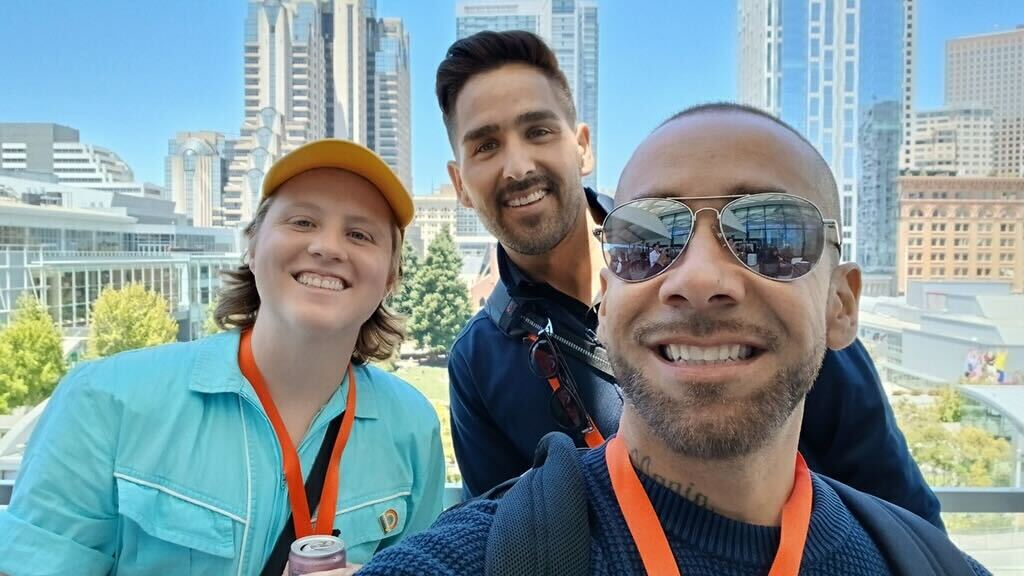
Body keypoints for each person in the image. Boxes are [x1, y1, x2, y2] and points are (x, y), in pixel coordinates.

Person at [355, 104, 989, 576]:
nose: (698, 279)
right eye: (649, 239)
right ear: (606, 302)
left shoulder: (924, 562)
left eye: (769, 234)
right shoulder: (475, 559)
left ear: (841, 305)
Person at [436, 29, 943, 529]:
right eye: (485, 146)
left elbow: (903, 518)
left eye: (539, 131)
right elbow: (499, 536)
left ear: (582, 147)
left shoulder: (777, 279)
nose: (518, 165)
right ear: (459, 184)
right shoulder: (479, 360)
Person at [0, 140, 445, 575]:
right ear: (251, 247)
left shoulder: (411, 425)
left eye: (359, 234)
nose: (328, 247)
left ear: (390, 276)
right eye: (303, 221)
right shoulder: (103, 401)